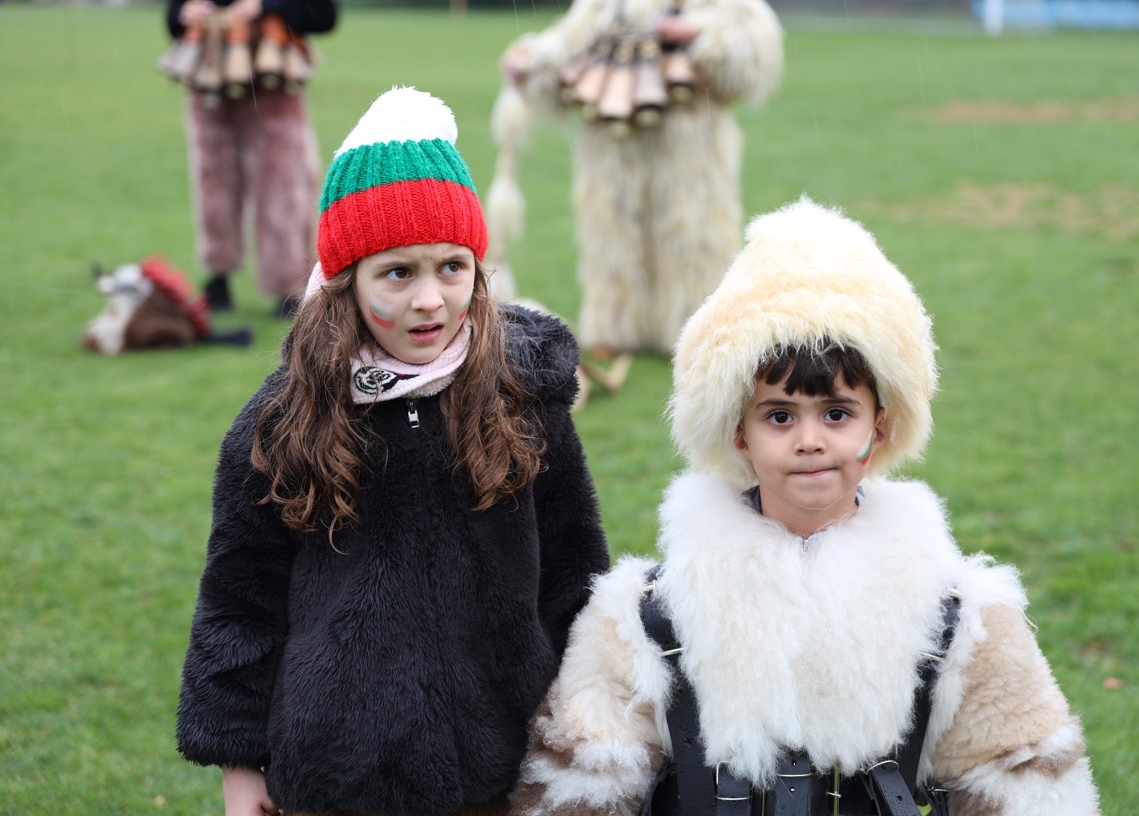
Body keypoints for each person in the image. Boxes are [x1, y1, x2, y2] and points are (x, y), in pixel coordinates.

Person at [504, 198, 1102, 815]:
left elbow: (1029, 785)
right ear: (739, 433)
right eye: (779, 416)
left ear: (880, 428)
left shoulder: (962, 621)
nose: (810, 440)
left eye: (837, 414)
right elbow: (579, 788)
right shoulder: (643, 620)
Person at [176, 87, 611, 816]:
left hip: (505, 761)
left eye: (451, 266)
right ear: (345, 282)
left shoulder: (525, 399)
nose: (430, 299)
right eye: (398, 272)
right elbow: (239, 600)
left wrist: (596, 723)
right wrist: (239, 761)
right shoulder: (281, 424)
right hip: (339, 772)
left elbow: (575, 573)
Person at [498, 0, 783, 357]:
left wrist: (699, 32)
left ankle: (696, 328)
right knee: (611, 235)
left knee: (693, 235)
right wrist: (531, 60)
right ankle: (614, 328)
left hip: (690, 149)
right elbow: (569, 44)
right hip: (610, 149)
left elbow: (756, 42)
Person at [165, 0, 337, 317]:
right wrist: (183, 13)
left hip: (274, 84)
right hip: (209, 80)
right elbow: (173, 16)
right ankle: (218, 275)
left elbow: (324, 14)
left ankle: (289, 286)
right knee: (213, 183)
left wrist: (265, 6)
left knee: (283, 185)